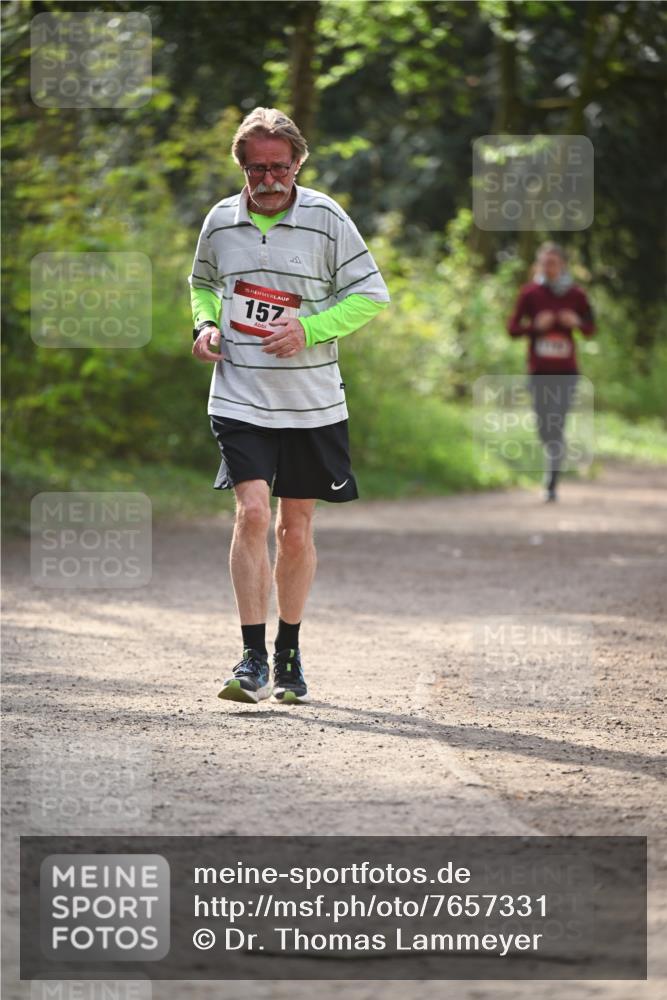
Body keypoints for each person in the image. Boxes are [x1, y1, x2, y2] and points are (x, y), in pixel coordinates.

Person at [188, 107, 390, 705]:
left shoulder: (327, 218)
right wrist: (203, 324)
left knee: (294, 529)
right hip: (239, 393)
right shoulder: (220, 222)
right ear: (242, 168)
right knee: (251, 513)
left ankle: (289, 654)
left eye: (279, 166)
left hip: (311, 402)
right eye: (256, 169)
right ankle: (250, 656)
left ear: (298, 163)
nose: (269, 178)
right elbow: (201, 282)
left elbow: (371, 295)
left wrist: (312, 327)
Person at [507, 242, 595, 502]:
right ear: (539, 264)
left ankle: (551, 482)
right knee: (544, 426)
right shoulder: (530, 293)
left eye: (553, 263)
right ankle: (554, 455)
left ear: (562, 265)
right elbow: (512, 328)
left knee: (557, 422)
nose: (549, 267)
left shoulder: (577, 295)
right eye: (544, 263)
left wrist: (577, 322)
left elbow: (591, 328)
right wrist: (534, 326)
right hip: (539, 371)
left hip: (567, 372)